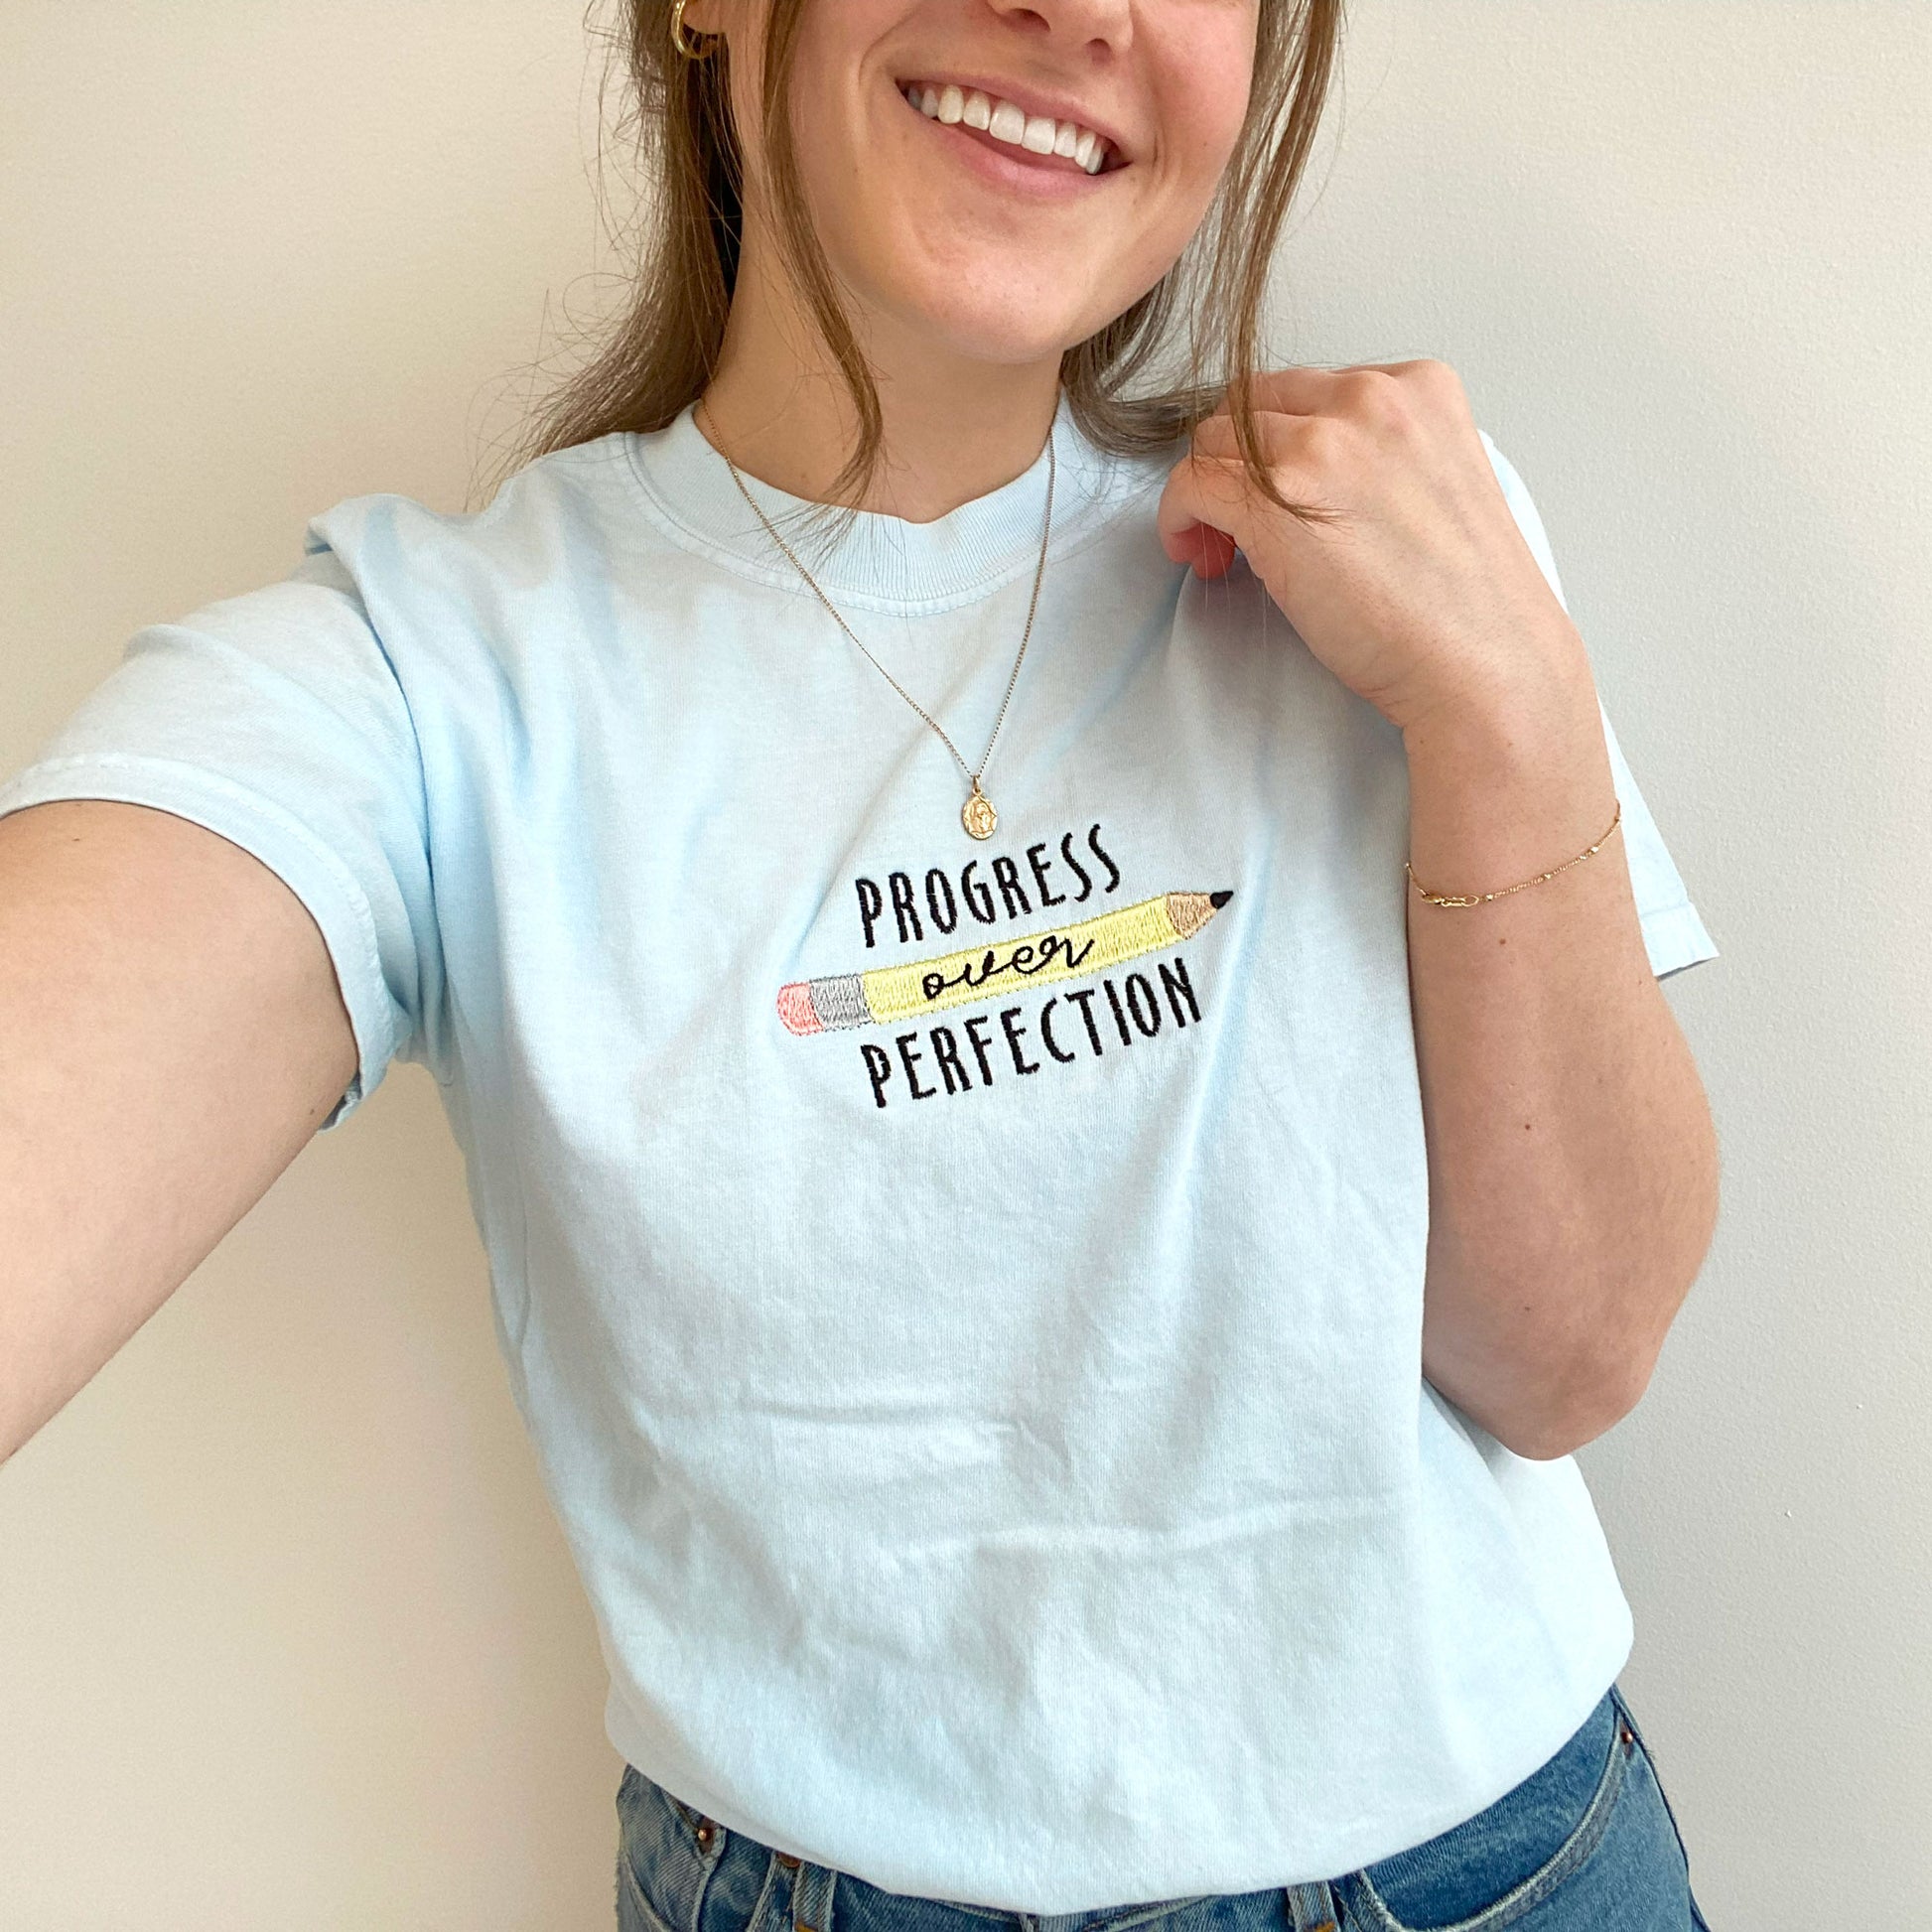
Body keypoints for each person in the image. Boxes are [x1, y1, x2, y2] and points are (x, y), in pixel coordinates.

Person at [0, 0, 1723, 1925]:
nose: (1079, 11)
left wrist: (1508, 710)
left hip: (1499, 1866)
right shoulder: (425, 687)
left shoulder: (1401, 554)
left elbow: (1572, 1349)